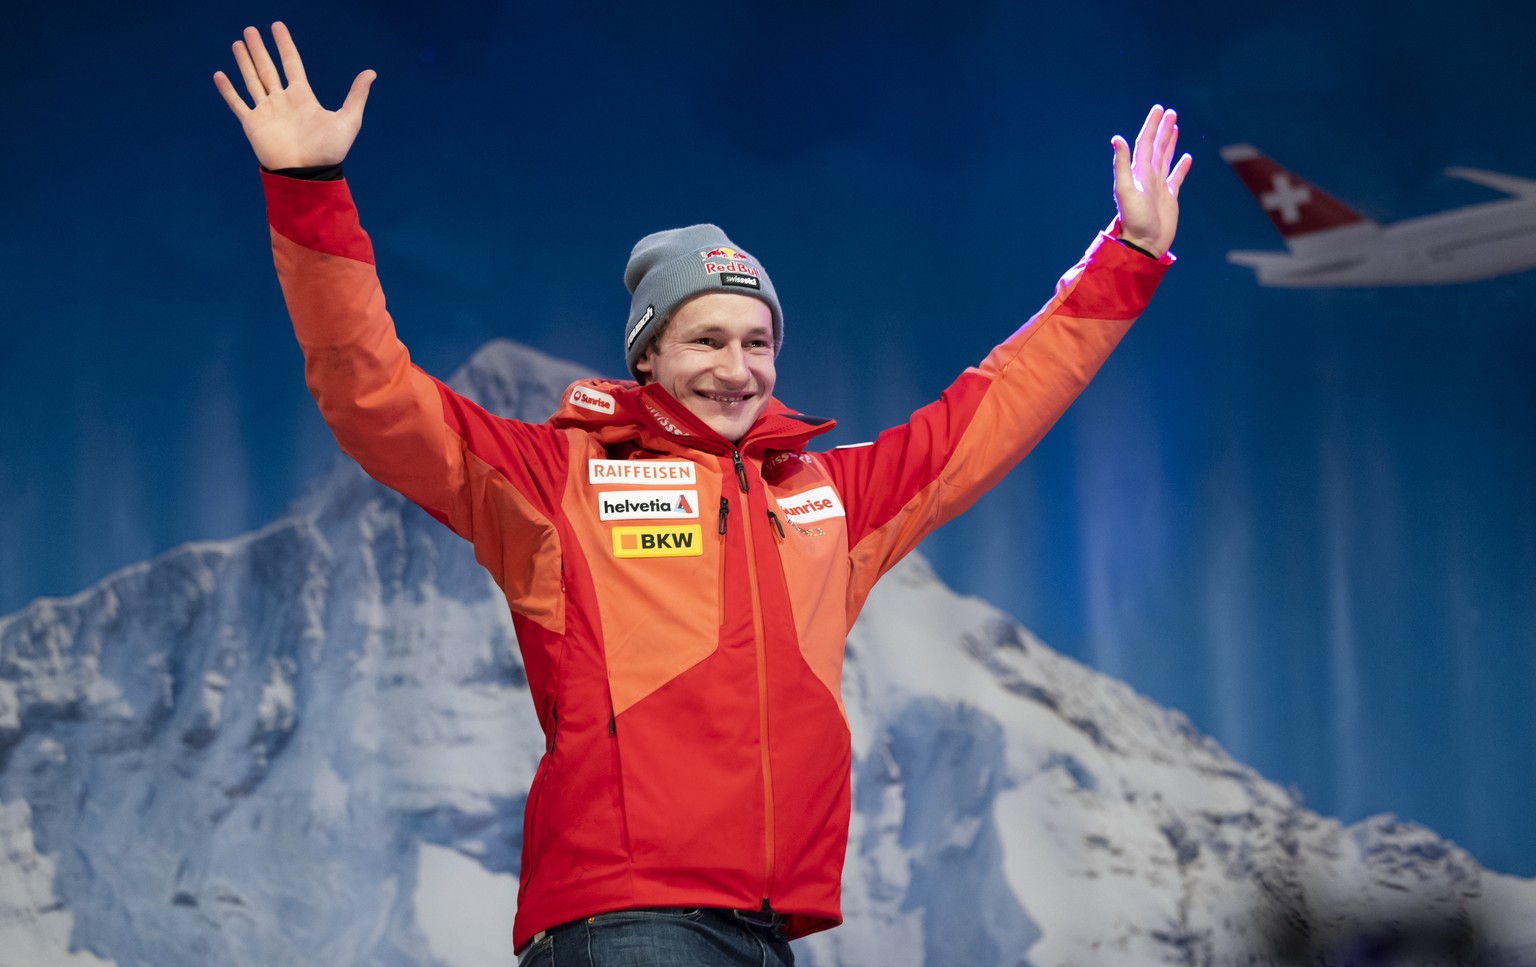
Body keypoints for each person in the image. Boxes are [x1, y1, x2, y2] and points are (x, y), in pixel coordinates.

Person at [215, 22, 1191, 967]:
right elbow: (369, 392)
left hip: (765, 926)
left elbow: (994, 410)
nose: (738, 366)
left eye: (757, 339)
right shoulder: (558, 481)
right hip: (629, 920)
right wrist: (308, 192)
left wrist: (1127, 260)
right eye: (707, 339)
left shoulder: (829, 499)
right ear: (648, 355)